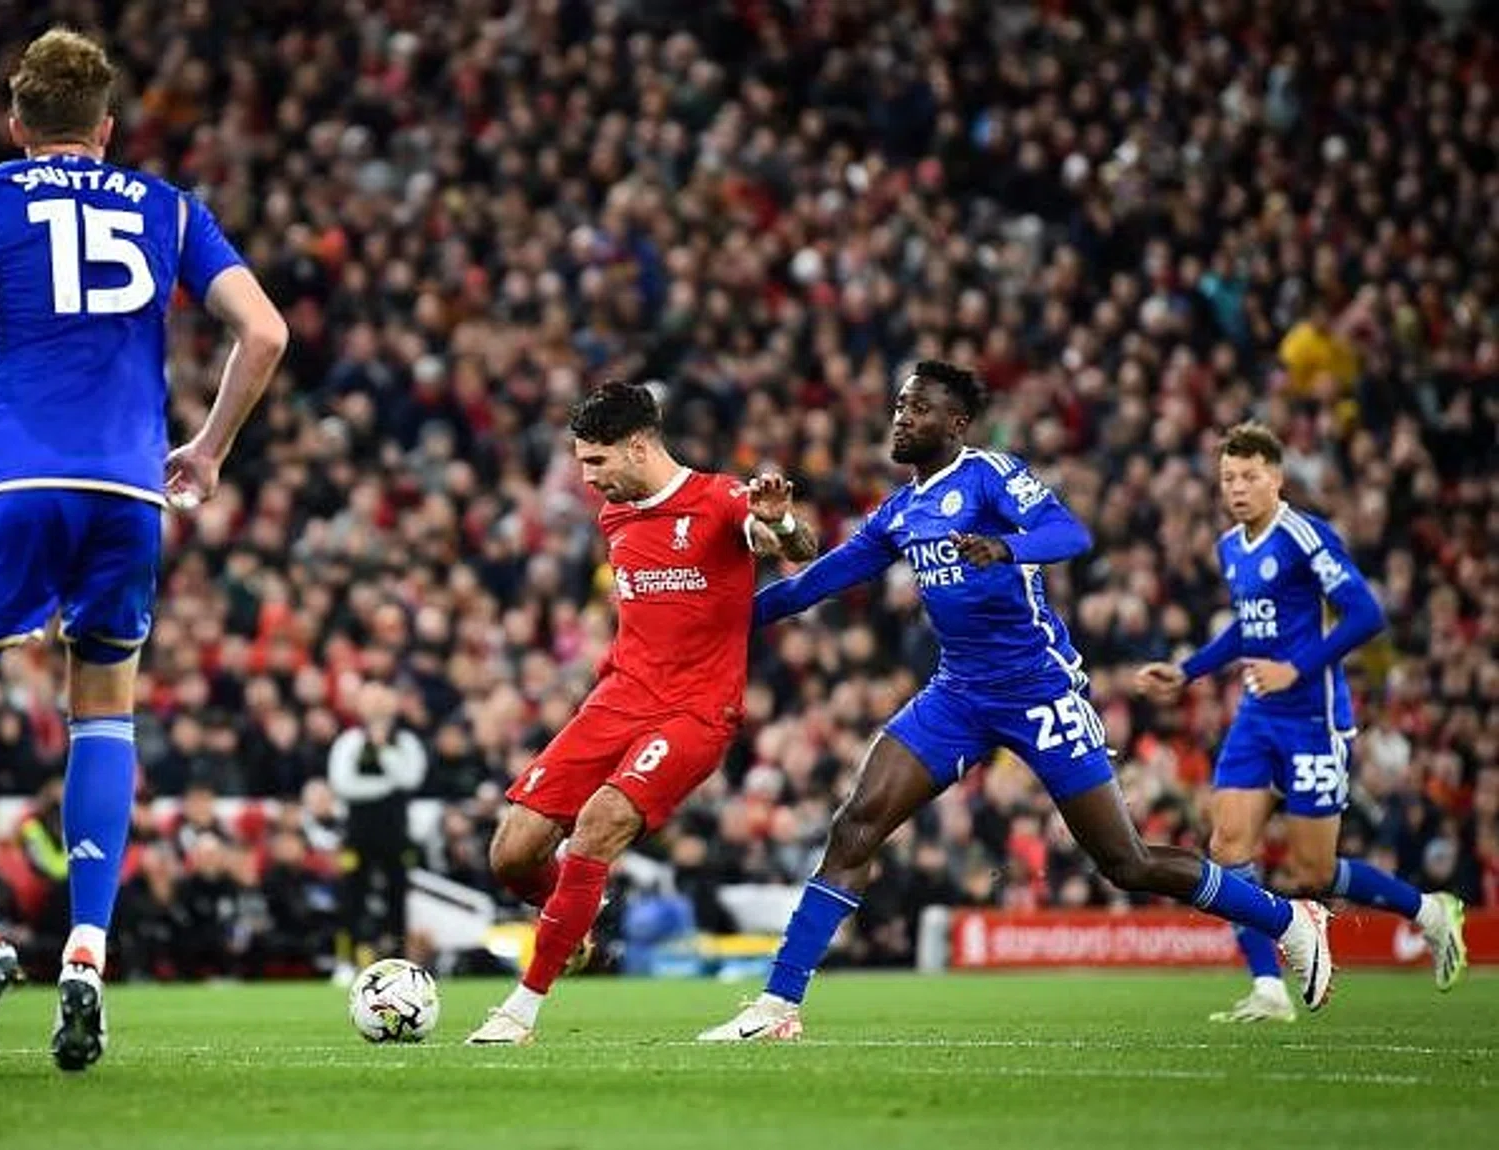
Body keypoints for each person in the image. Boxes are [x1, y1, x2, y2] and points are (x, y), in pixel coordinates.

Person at [699, 362, 1335, 1042]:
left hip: (1039, 690)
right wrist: (715, 621)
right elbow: (815, 582)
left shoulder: (991, 476)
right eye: (899, 405)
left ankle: (1287, 919)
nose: (901, 417)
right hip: (959, 693)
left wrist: (1006, 547)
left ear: (956, 424)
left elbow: (1072, 535)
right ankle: (778, 1006)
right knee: (857, 823)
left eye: (917, 408)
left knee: (1126, 862)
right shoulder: (902, 511)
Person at [0, 28, 286, 1078]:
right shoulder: (170, 207)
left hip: (12, 478)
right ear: (107, 129)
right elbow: (268, 333)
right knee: (102, 713)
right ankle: (88, 954)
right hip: (125, 492)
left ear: (17, 125)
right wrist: (204, 448)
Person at [465, 379, 818, 1045]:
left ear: (637, 446)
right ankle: (577, 913)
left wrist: (779, 521)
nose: (586, 477)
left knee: (597, 825)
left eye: (596, 462)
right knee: (513, 855)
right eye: (580, 461)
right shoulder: (614, 516)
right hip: (618, 698)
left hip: (695, 711)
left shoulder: (718, 499)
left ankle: (520, 1011)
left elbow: (790, 549)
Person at [1134, 422, 1467, 1022]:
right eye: (1228, 478)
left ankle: (1431, 913)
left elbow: (1366, 614)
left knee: (1312, 873)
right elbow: (1246, 626)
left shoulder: (1304, 536)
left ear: (1277, 478)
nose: (1237, 488)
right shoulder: (1230, 546)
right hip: (1257, 717)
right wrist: (1189, 671)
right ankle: (1267, 985)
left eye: (1249, 476)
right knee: (1227, 843)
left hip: (1314, 719)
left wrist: (1297, 667)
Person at [326, 680, 428, 968]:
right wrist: (386, 785)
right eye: (371, 701)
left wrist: (383, 750)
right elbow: (343, 785)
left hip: (396, 833)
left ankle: (398, 960)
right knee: (351, 897)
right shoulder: (349, 741)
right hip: (358, 833)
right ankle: (347, 961)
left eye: (383, 701)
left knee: (398, 899)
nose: (377, 708)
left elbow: (411, 779)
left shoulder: (406, 742)